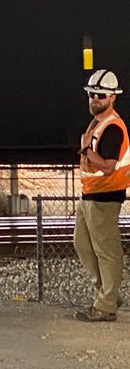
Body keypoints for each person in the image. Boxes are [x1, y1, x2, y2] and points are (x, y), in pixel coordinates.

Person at [73, 69, 129, 322]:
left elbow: (108, 166)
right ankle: (108, 293)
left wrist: (86, 150)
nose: (95, 99)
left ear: (112, 98)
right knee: (82, 244)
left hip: (105, 196)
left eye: (100, 95)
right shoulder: (98, 123)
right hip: (90, 196)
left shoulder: (113, 127)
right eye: (92, 94)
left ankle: (106, 305)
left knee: (107, 251)